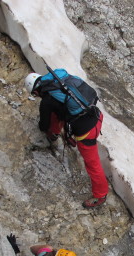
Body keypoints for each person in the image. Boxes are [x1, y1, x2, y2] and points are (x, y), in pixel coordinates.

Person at [25, 70, 108, 209]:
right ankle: (58, 134)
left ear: (35, 92)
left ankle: (100, 195)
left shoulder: (47, 100)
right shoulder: (59, 83)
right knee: (57, 113)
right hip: (95, 115)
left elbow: (44, 124)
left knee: (92, 165)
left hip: (86, 132)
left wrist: (48, 130)